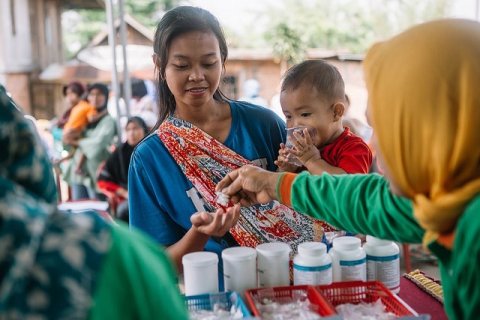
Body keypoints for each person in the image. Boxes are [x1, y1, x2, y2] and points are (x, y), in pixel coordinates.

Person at [216, 19, 480, 319]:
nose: (376, 146)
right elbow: (367, 199)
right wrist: (274, 182)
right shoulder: (447, 202)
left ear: (438, 129)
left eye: (385, 128)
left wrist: (280, 180)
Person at [129, 6, 325, 273]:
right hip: (216, 299)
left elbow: (317, 196)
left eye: (208, 63)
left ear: (223, 60)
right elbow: (153, 266)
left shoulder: (263, 124)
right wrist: (200, 233)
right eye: (182, 65)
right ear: (159, 66)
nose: (197, 75)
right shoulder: (150, 158)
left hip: (295, 286)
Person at [0, 84, 187, 319]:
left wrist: (80, 141)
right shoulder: (111, 252)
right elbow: (76, 146)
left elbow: (87, 144)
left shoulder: (118, 132)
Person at [277, 60, 372, 175]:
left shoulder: (354, 148)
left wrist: (312, 161)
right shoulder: (302, 152)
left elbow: (347, 187)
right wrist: (286, 169)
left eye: (305, 114)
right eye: (288, 116)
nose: (295, 125)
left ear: (336, 112)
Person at [62, 83, 117, 200]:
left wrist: (77, 142)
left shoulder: (108, 121)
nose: (95, 98)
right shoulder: (85, 118)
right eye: (92, 94)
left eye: (99, 94)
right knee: (81, 211)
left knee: (99, 211)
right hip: (78, 173)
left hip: (96, 173)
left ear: (106, 97)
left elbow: (97, 144)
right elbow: (67, 143)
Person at [97, 116, 148, 223]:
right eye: (128, 129)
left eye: (135, 128)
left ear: (144, 130)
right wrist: (125, 193)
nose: (131, 133)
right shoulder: (119, 153)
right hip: (128, 197)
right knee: (123, 210)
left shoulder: (151, 150)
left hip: (151, 196)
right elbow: (103, 180)